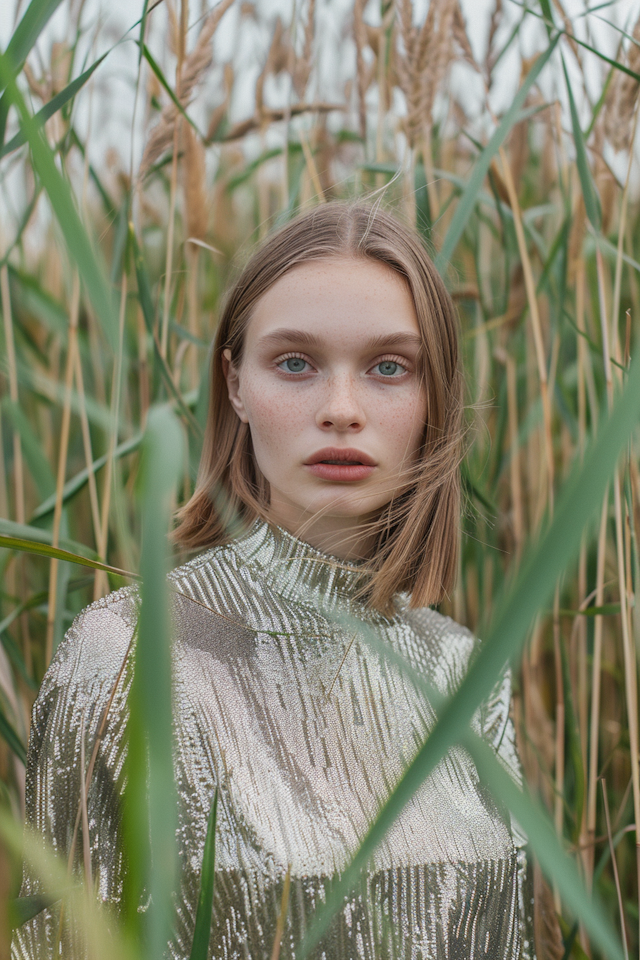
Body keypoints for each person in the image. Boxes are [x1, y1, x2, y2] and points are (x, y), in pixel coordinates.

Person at [13, 201, 535, 959]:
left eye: (390, 367)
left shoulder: (463, 669)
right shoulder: (126, 656)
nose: (341, 410)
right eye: (295, 362)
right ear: (234, 385)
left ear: (434, 397)